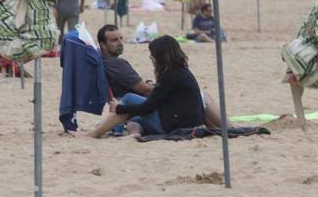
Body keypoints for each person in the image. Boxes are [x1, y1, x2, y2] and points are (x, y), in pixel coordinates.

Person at [91, 26, 222, 137]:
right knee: (136, 118)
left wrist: (120, 108)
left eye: (153, 55)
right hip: (183, 120)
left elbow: (147, 102)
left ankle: (94, 134)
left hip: (174, 125)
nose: (151, 58)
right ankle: (132, 134)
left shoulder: (170, 75)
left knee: (129, 99)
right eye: (115, 40)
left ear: (161, 56)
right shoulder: (180, 71)